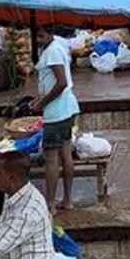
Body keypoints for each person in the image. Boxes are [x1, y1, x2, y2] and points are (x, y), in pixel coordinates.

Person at [33, 27, 80, 211]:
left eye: (42, 34)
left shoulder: (52, 51)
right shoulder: (57, 47)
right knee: (66, 153)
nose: (39, 38)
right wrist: (39, 99)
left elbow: (61, 83)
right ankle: (67, 200)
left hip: (56, 112)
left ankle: (50, 203)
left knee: (52, 159)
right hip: (66, 108)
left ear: (50, 33)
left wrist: (41, 103)